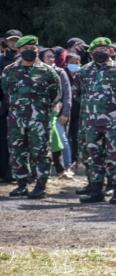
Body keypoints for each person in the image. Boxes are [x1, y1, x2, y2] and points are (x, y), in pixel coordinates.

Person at [74, 37, 116, 204]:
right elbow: (77, 93)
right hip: (91, 121)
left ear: (110, 50)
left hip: (114, 121)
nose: (100, 52)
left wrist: (115, 108)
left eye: (103, 49)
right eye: (96, 50)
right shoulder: (84, 71)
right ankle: (96, 191)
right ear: (91, 53)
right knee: (94, 156)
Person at [2, 35, 62, 198]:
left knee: (41, 152)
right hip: (16, 119)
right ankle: (21, 185)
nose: (29, 51)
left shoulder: (48, 71)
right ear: (19, 50)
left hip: (40, 120)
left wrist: (41, 108)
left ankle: (40, 186)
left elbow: (55, 94)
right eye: (25, 49)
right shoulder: (9, 71)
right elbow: (6, 92)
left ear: (37, 50)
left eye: (33, 48)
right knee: (17, 152)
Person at [39, 48, 74, 178]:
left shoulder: (60, 72)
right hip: (41, 113)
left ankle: (66, 167)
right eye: (48, 56)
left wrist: (65, 113)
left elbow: (67, 94)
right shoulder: (38, 71)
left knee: (61, 140)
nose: (51, 59)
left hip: (57, 113)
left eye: (52, 57)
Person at [0, 29, 22, 183]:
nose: (13, 43)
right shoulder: (1, 60)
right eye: (11, 40)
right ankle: (4, 172)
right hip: (5, 106)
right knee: (3, 140)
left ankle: (18, 173)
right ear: (5, 42)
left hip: (24, 107)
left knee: (20, 142)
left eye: (16, 40)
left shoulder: (30, 59)